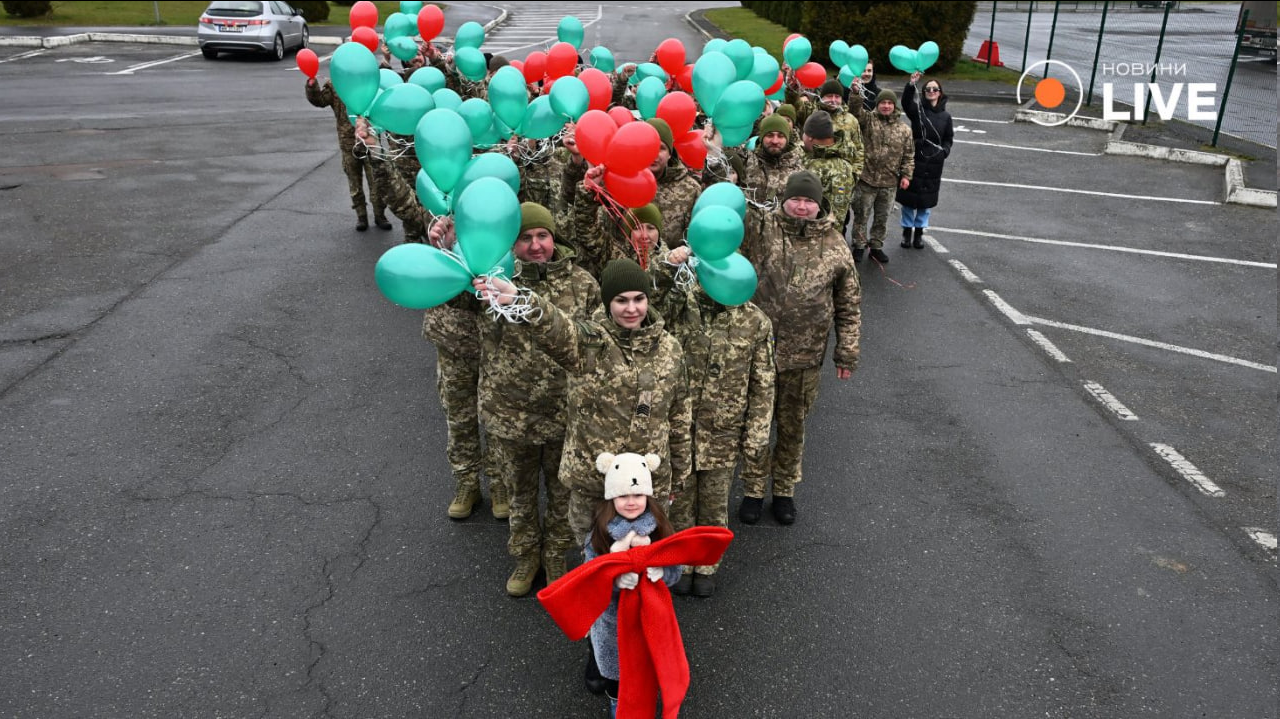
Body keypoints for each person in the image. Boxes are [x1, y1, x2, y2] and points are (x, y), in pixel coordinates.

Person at [472, 257, 692, 545]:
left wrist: (678, 476)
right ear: (607, 302)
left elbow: (678, 416)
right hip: (594, 483)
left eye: (639, 299)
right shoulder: (589, 343)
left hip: (647, 484)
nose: (631, 308)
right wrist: (519, 299)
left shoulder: (670, 349)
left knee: (643, 565)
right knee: (595, 562)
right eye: (621, 300)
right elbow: (556, 326)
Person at [471, 203, 600, 596]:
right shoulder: (488, 283)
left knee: (563, 493)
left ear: (554, 237)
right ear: (512, 245)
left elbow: (592, 342)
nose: (536, 245)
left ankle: (556, 556)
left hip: (565, 413)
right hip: (510, 413)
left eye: (542, 236)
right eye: (525, 238)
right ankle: (526, 556)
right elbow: (453, 311)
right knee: (520, 493)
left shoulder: (582, 283)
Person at [737, 171, 861, 525]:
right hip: (758, 354)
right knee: (756, 427)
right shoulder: (762, 231)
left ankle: (784, 491)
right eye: (797, 199)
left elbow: (848, 304)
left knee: (792, 427)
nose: (802, 206)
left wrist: (846, 352)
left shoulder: (836, 246)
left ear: (818, 204)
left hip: (805, 357)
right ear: (785, 199)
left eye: (809, 201)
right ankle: (753, 490)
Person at [657, 246, 775, 597]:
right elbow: (653, 308)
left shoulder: (755, 321)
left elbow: (763, 383)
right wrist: (668, 266)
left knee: (713, 503)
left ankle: (706, 564)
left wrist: (756, 435)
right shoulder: (683, 305)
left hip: (723, 431)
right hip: (679, 430)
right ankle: (680, 561)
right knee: (678, 500)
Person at [582, 452, 681, 716]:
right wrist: (614, 578)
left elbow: (676, 568)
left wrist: (664, 571)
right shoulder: (599, 533)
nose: (630, 502)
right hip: (612, 621)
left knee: (645, 666)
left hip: (650, 617)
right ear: (611, 496)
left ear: (647, 496)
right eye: (623, 495)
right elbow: (589, 578)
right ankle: (618, 703)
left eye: (637, 495)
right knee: (617, 673)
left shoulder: (659, 528)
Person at [304, 76, 392, 232]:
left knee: (377, 181)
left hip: (371, 142)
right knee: (354, 182)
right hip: (348, 143)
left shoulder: (369, 81)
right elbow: (320, 100)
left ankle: (380, 215)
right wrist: (312, 86)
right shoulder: (335, 83)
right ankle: (361, 216)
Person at [848, 86, 914, 263]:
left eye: (889, 103)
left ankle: (876, 246)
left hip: (889, 182)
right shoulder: (868, 120)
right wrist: (855, 94)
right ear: (877, 104)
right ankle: (859, 246)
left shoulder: (904, 130)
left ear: (894, 106)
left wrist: (907, 176)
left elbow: (909, 155)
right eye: (883, 102)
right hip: (866, 179)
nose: (886, 106)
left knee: (882, 217)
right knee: (861, 215)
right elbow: (854, 111)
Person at [898, 73, 954, 249]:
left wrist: (944, 152)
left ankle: (919, 233)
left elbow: (948, 138)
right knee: (909, 199)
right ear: (923, 92)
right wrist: (911, 83)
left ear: (940, 93)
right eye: (927, 89)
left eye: (934, 89)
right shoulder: (918, 111)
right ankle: (907, 232)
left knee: (925, 201)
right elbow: (906, 103)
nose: (931, 91)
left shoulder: (946, 117)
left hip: (934, 164)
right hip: (915, 158)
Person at [799, 111, 857, 227]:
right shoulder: (807, 157)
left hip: (821, 237)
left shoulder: (840, 169)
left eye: (804, 133)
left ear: (810, 137)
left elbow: (837, 215)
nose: (802, 137)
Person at [741, 113, 804, 208]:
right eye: (769, 135)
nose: (775, 141)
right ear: (761, 137)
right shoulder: (746, 160)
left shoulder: (801, 167)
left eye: (781, 136)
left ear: (787, 139)